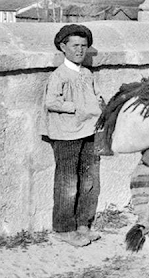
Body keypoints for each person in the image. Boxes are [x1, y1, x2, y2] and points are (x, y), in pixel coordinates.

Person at [42, 24, 104, 247]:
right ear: (63, 47)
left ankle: (82, 224)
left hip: (88, 130)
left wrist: (99, 104)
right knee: (68, 182)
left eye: (84, 46)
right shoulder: (60, 75)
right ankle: (63, 228)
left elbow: (96, 97)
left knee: (88, 180)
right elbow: (51, 102)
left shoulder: (87, 74)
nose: (80, 50)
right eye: (75, 45)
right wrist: (77, 107)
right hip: (66, 133)